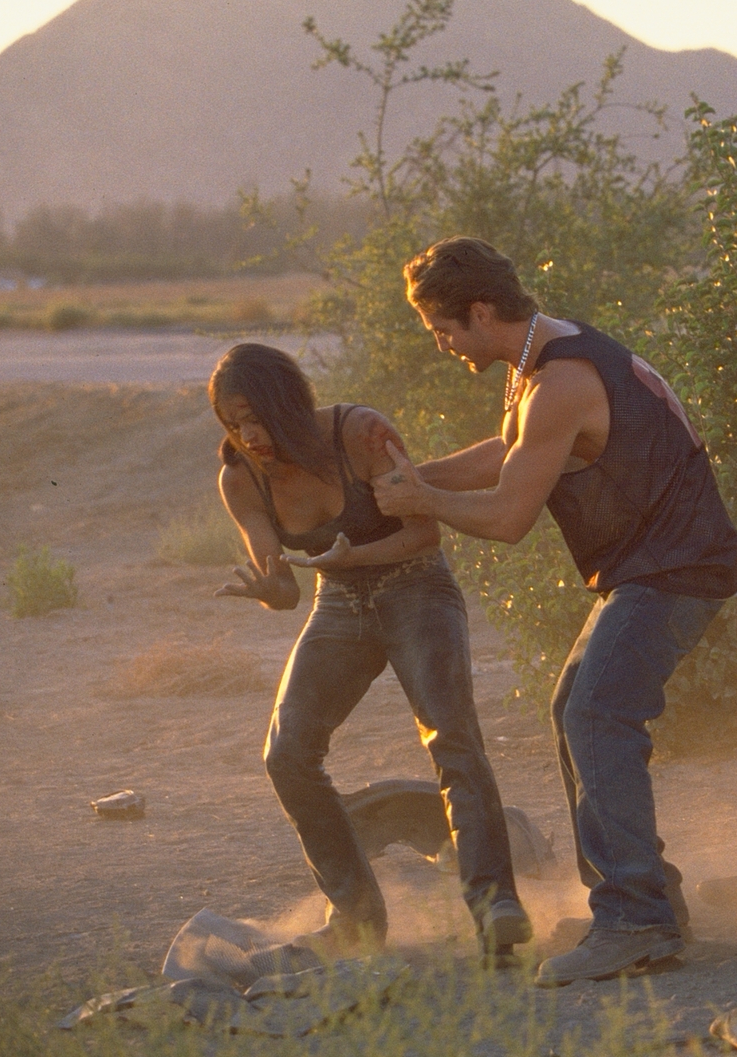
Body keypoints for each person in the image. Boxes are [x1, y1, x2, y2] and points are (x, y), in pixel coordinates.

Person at [372, 236, 737, 988]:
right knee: (574, 703)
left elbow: (510, 514)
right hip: (652, 566)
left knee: (597, 714)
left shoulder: (562, 380)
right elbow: (506, 453)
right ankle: (644, 898)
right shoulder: (542, 358)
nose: (443, 345)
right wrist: (408, 479)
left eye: (444, 329)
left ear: (481, 311)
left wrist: (421, 502)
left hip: (675, 568)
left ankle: (636, 919)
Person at [208, 343, 532, 960]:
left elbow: (423, 530)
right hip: (340, 606)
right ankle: (354, 918)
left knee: (452, 737)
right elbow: (282, 589)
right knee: (288, 753)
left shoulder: (360, 432)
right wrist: (270, 588)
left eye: (256, 416)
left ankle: (496, 908)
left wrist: (353, 556)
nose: (248, 435)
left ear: (289, 402)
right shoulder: (240, 477)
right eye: (233, 423)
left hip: (417, 588)